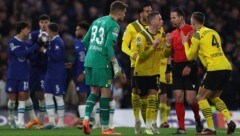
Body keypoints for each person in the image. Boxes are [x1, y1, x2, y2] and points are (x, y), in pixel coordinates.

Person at [181, 12, 236, 135]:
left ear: (193, 23)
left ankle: (210, 128)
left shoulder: (197, 35)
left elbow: (190, 56)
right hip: (227, 67)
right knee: (214, 97)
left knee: (200, 97)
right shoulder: (214, 32)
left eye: (191, 22)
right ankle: (229, 120)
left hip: (214, 68)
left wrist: (185, 42)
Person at [81, 1, 128, 135]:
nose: (124, 15)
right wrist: (115, 64)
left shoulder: (97, 21)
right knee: (105, 94)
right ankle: (105, 129)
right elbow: (108, 46)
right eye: (124, 12)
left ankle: (85, 119)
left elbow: (85, 41)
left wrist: (92, 53)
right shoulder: (114, 25)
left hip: (89, 61)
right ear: (119, 12)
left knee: (94, 92)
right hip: (102, 63)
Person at [164, 7, 203, 134]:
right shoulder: (173, 34)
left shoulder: (191, 30)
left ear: (181, 17)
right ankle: (181, 128)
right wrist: (167, 70)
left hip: (190, 66)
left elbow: (198, 51)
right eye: (170, 18)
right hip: (176, 68)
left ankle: (197, 117)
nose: (171, 20)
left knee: (191, 100)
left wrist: (190, 66)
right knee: (178, 97)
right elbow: (169, 55)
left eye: (173, 17)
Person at [121, 2, 152, 134]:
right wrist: (132, 54)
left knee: (147, 96)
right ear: (141, 13)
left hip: (152, 66)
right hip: (136, 65)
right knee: (135, 91)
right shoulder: (132, 26)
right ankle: (137, 120)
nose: (149, 14)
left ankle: (148, 124)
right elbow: (124, 46)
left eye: (151, 11)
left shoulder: (154, 26)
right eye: (147, 11)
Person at [135, 11, 165, 134]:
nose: (162, 21)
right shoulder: (141, 36)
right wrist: (153, 46)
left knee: (153, 98)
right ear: (152, 21)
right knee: (143, 102)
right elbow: (141, 56)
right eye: (160, 19)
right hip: (141, 72)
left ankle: (149, 126)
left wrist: (167, 45)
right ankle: (146, 123)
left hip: (155, 72)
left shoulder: (161, 34)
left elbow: (165, 54)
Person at [5, 21, 39, 129]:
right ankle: (11, 118)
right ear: (22, 30)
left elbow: (31, 58)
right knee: (12, 100)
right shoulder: (12, 42)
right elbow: (20, 54)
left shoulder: (27, 44)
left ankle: (20, 122)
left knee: (22, 97)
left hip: (24, 74)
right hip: (13, 74)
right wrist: (34, 47)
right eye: (28, 29)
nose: (29, 31)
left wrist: (39, 49)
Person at [39, 22, 66, 129]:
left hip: (57, 73)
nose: (46, 31)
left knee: (58, 96)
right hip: (50, 73)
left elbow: (57, 57)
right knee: (47, 96)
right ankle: (51, 121)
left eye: (47, 30)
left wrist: (45, 50)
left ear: (50, 31)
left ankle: (60, 123)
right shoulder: (52, 41)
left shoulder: (58, 41)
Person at [26, 14, 50, 128]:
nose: (44, 24)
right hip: (33, 67)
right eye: (42, 22)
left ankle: (40, 121)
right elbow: (29, 49)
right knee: (26, 93)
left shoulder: (52, 35)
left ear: (49, 23)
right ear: (39, 24)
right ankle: (33, 118)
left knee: (41, 94)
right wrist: (38, 44)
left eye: (46, 22)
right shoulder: (34, 34)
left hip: (44, 68)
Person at [73, 22, 92, 126]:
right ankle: (84, 122)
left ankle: (94, 121)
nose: (76, 32)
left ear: (82, 30)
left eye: (77, 29)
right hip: (79, 75)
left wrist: (84, 73)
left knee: (93, 97)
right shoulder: (76, 42)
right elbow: (76, 58)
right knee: (82, 97)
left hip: (90, 73)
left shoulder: (91, 42)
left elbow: (93, 59)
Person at [158, 57, 173, 128]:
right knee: (163, 98)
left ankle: (165, 120)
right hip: (160, 78)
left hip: (170, 79)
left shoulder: (172, 54)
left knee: (168, 101)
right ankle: (163, 121)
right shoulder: (159, 51)